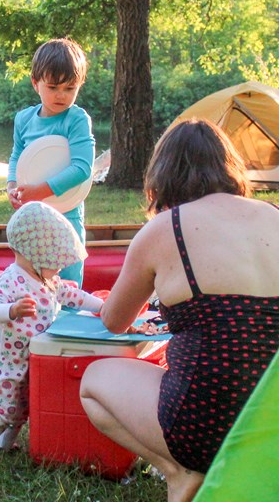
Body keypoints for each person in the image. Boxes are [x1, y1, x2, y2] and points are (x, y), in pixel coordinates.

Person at [80, 119, 279, 502]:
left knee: (94, 381)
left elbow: (114, 320)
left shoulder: (163, 229)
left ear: (163, 175)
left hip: (203, 424)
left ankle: (181, 470)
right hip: (269, 424)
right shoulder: (274, 215)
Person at [0, 201, 103, 464]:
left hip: (28, 364)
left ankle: (5, 446)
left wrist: (101, 306)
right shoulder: (12, 279)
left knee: (21, 411)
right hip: (2, 365)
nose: (60, 269)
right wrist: (13, 310)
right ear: (34, 255)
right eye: (55, 262)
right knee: (2, 412)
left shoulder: (48, 279)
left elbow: (72, 295)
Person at [7, 38, 95, 288]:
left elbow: (81, 169)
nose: (61, 95)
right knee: (33, 280)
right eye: (53, 86)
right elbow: (17, 156)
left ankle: (69, 322)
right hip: (33, 217)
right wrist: (12, 185)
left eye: (70, 88)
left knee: (66, 283)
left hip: (66, 212)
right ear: (36, 83)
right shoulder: (24, 119)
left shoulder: (76, 119)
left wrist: (40, 191)